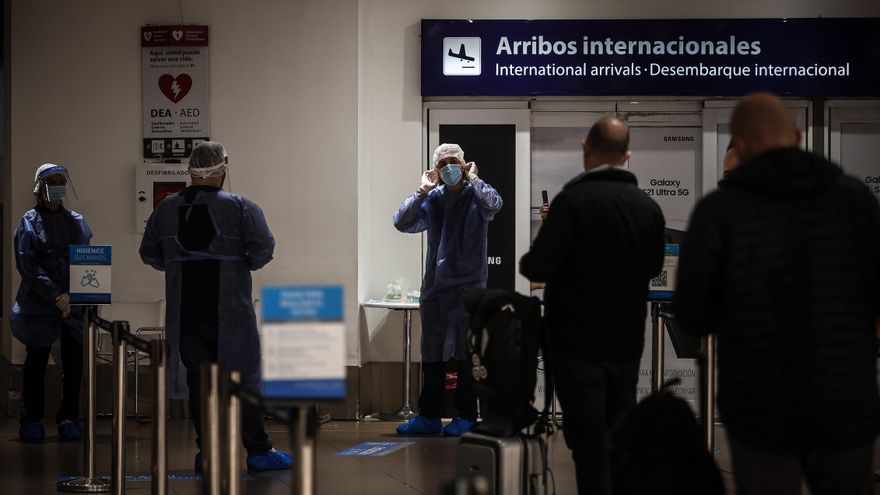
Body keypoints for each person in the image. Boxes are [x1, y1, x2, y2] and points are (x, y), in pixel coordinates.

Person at [675, 93, 880, 495]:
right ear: (799, 136)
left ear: (740, 144)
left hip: (760, 405)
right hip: (845, 400)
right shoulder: (854, 200)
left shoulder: (719, 212)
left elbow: (693, 315)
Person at [519, 116, 665, 495]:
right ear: (627, 154)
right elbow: (653, 268)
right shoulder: (648, 208)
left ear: (586, 148)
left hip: (576, 345)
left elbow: (534, 267)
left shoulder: (571, 202)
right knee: (619, 439)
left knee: (589, 446)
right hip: (626, 345)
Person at [139, 141, 292, 471]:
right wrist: (237, 263)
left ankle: (207, 454)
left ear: (191, 169)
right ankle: (258, 451)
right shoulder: (242, 207)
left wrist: (180, 264)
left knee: (199, 383)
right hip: (231, 311)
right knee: (244, 379)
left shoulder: (165, 209)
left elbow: (149, 254)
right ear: (223, 167)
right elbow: (263, 250)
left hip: (186, 311)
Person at [393, 143, 503, 436]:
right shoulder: (434, 199)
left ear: (465, 165)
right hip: (436, 289)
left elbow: (495, 204)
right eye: (443, 165)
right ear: (436, 171)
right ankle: (429, 415)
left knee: (466, 353)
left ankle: (466, 415)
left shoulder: (476, 197)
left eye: (454, 162)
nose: (449, 168)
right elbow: (401, 222)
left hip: (469, 288)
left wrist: (476, 180)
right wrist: (421, 192)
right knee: (432, 353)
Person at [12, 164, 92, 442]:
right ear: (39, 187)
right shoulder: (29, 222)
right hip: (39, 303)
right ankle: (32, 418)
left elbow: (85, 259)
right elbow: (28, 264)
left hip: (72, 302)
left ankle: (69, 417)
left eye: (61, 181)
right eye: (52, 181)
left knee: (73, 364)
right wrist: (54, 293)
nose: (57, 185)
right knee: (36, 363)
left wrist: (72, 293)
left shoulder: (77, 221)